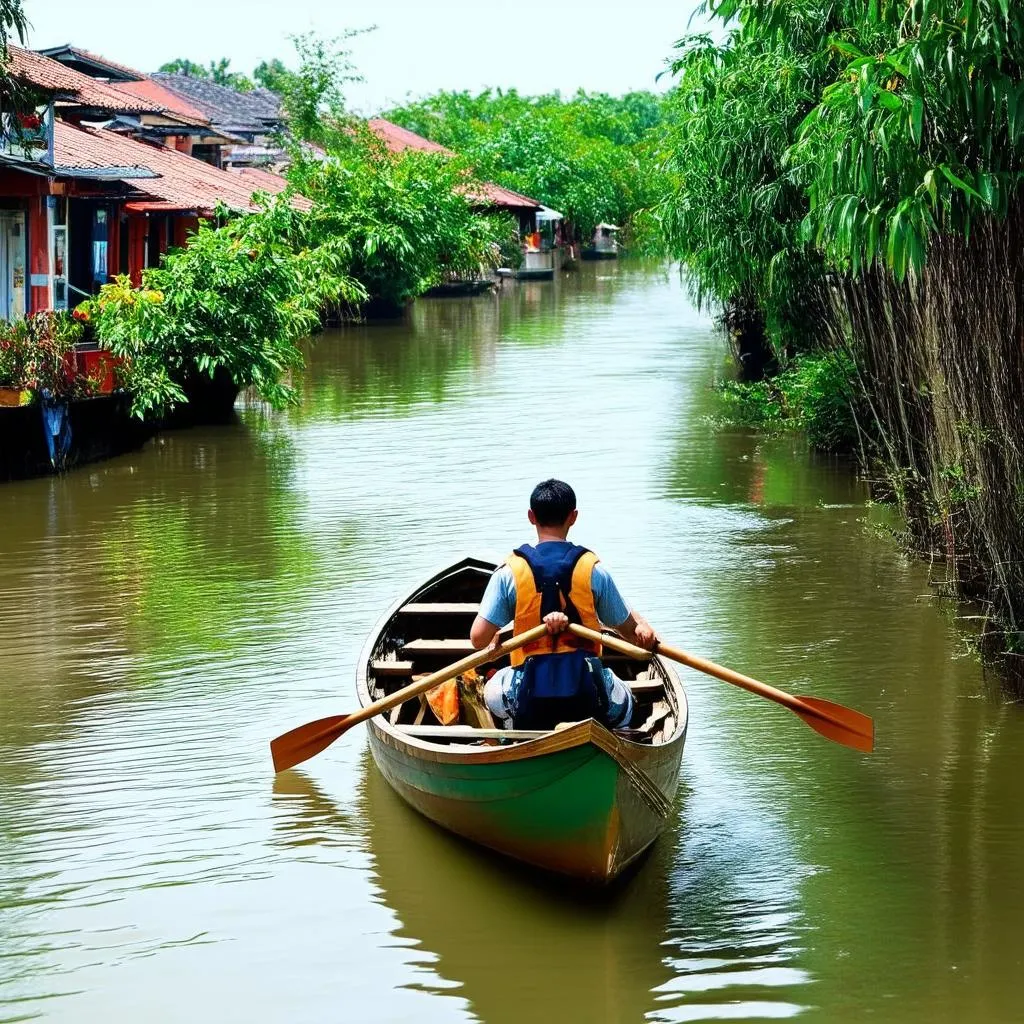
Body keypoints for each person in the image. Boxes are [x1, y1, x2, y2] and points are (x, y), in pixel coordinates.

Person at [469, 479, 658, 731]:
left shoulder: (508, 573)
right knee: (626, 700)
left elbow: (478, 639)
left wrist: (499, 637)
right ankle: (618, 742)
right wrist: (643, 627)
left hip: (528, 695)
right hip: (588, 695)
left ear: (531, 516)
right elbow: (630, 632)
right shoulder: (593, 570)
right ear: (573, 517)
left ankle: (515, 734)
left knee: (490, 691)